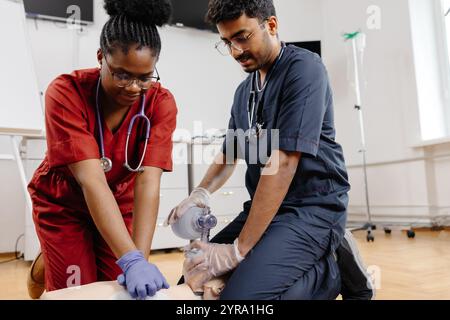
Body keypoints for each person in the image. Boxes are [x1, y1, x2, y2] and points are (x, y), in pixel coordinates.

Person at [167, 0, 375, 300]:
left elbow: (285, 162)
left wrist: (238, 251)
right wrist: (199, 194)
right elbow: (228, 156)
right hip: (267, 211)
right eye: (227, 42)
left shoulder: (304, 69)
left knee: (241, 301)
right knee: (192, 284)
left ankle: (333, 271)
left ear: (271, 25)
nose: (235, 51)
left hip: (313, 210)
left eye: (242, 36)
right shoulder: (244, 92)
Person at [27, 0, 176, 300]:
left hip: (119, 203)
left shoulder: (161, 103)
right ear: (101, 58)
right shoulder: (66, 92)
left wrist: (139, 260)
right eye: (122, 74)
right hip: (65, 204)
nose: (134, 87)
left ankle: (65, 254)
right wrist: (130, 258)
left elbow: (148, 183)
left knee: (117, 289)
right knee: (78, 290)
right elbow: (91, 181)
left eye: (145, 77)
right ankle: (49, 260)